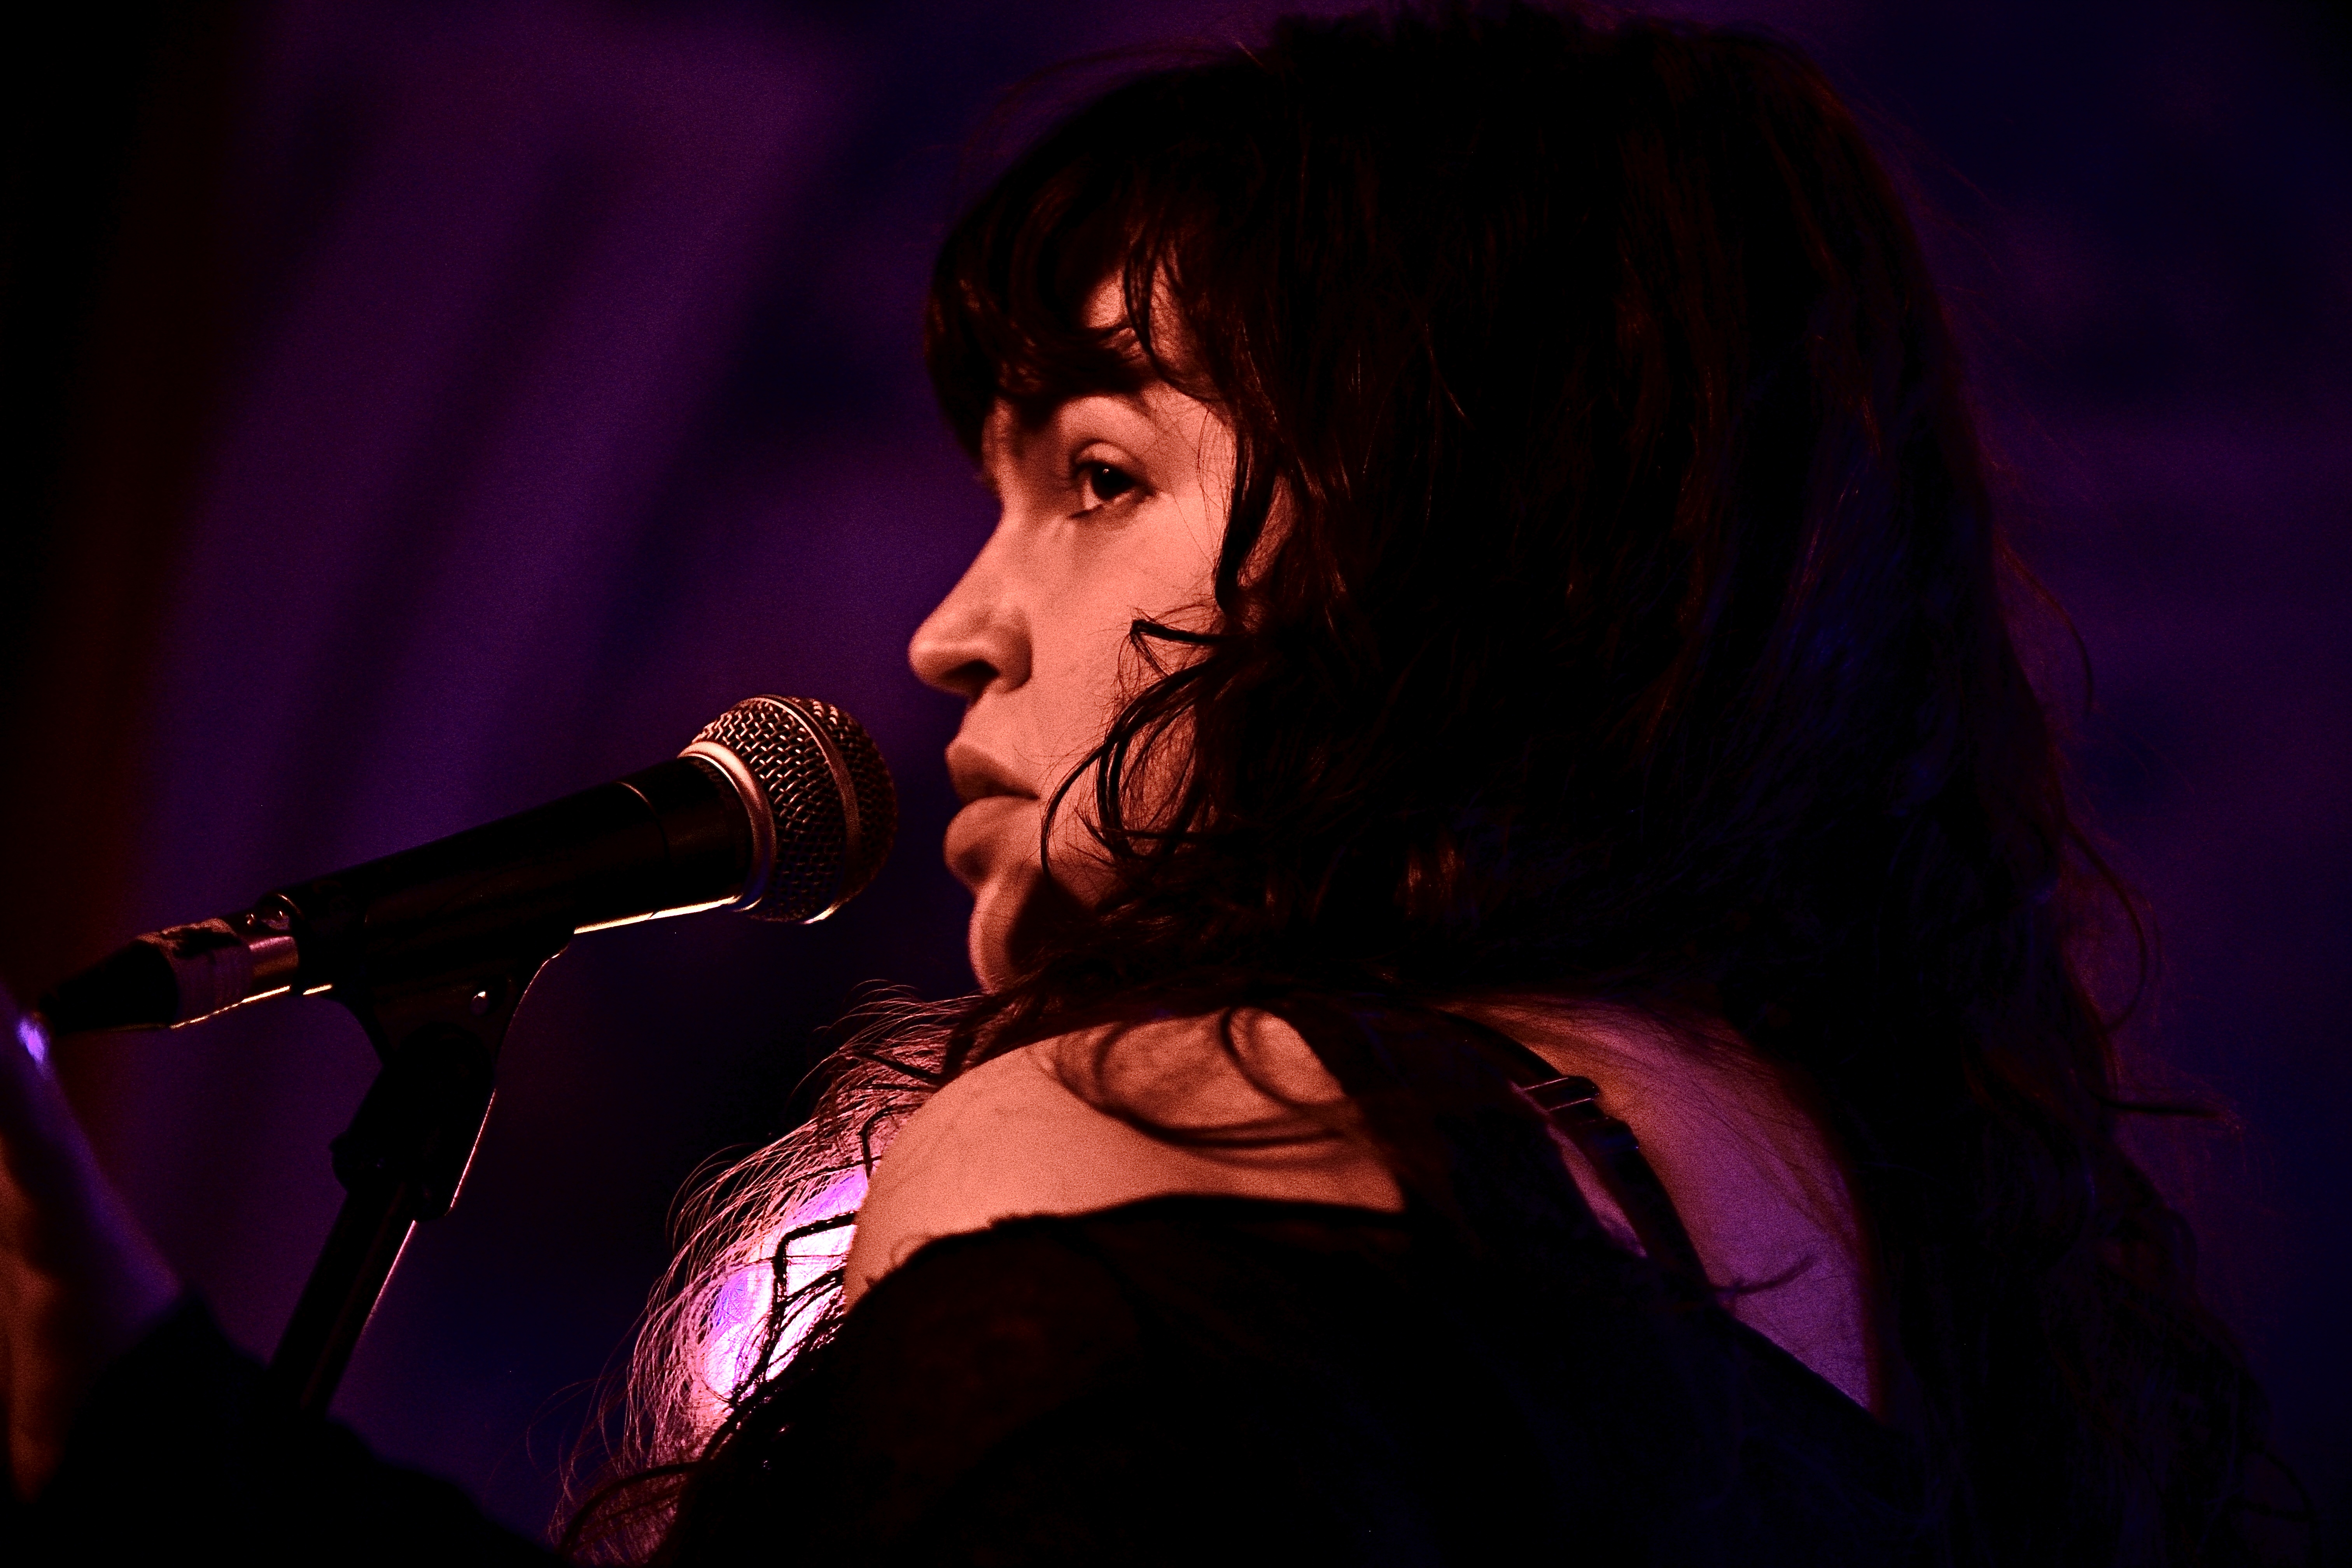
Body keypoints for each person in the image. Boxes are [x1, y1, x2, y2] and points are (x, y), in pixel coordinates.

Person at [0, 4, 2307, 1564]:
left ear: (1447, 535)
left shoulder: (1148, 1134)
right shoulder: (1893, 1252)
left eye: (1098, 476)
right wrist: (130, 1393)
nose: (953, 627)